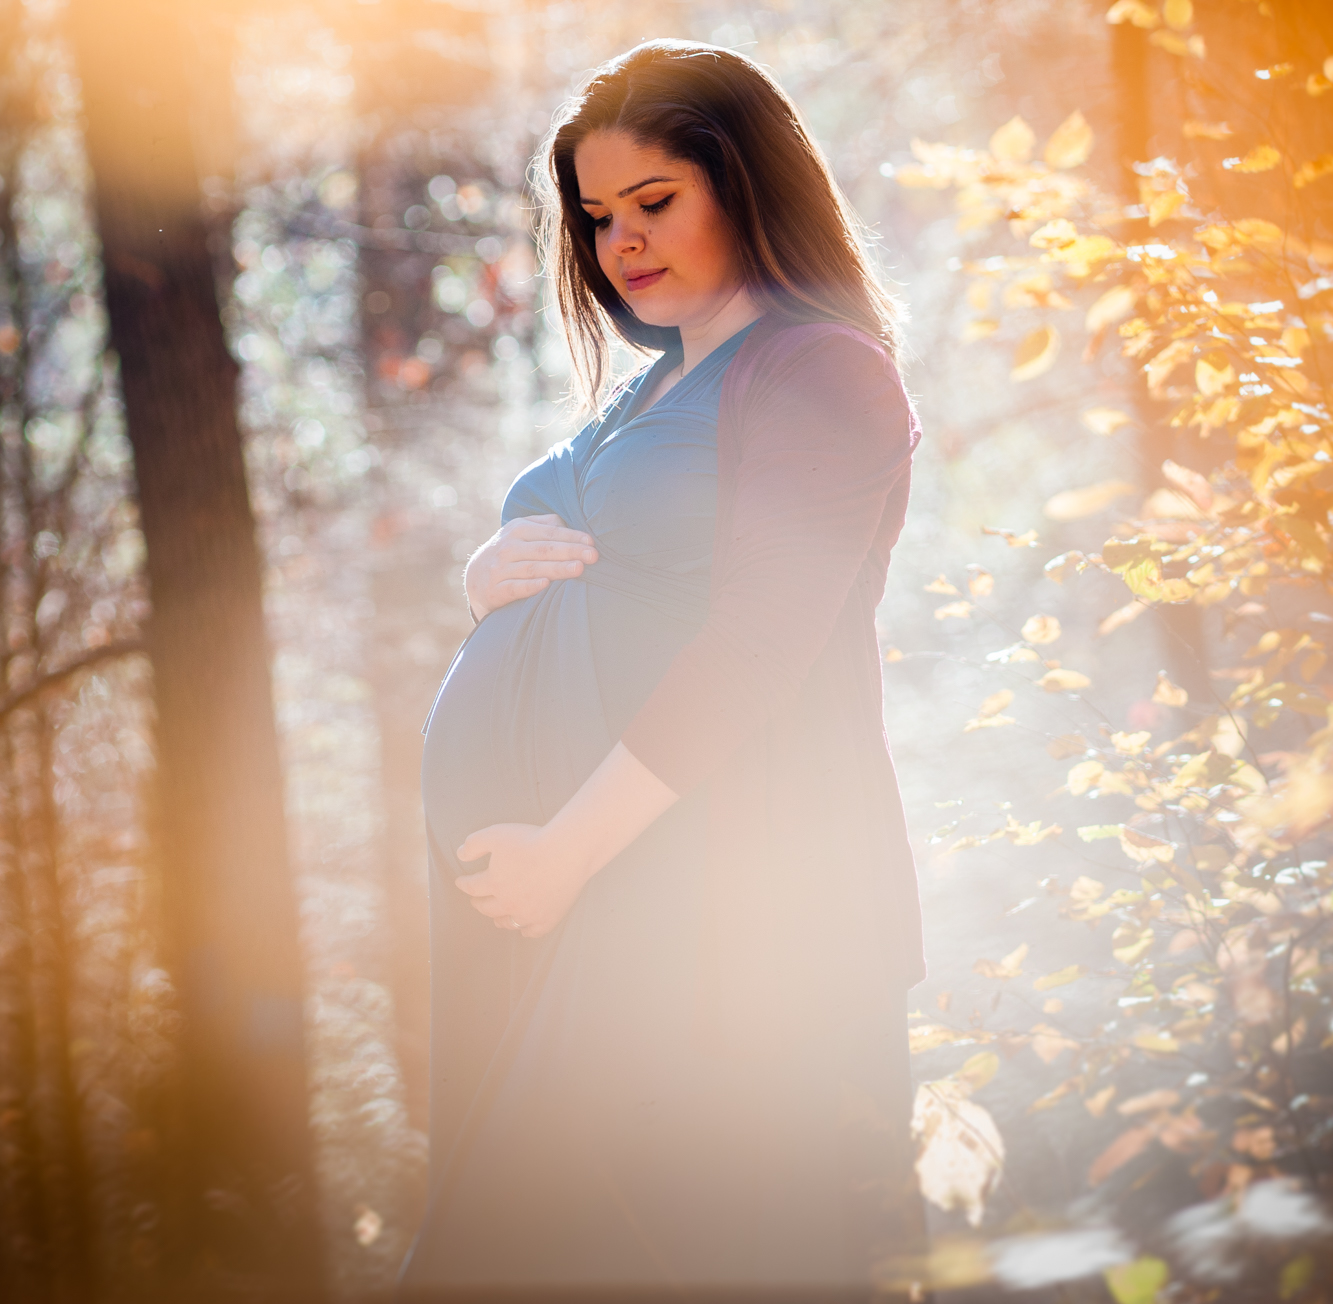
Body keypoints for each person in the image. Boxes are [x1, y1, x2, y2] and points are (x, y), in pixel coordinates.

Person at [401, 39, 925, 1302]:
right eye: (594, 218)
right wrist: (485, 584)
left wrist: (566, 851)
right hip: (598, 912)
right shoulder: (646, 391)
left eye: (653, 203)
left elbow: (752, 647)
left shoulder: (821, 371)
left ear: (747, 185)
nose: (620, 244)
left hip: (732, 918)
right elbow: (599, 567)